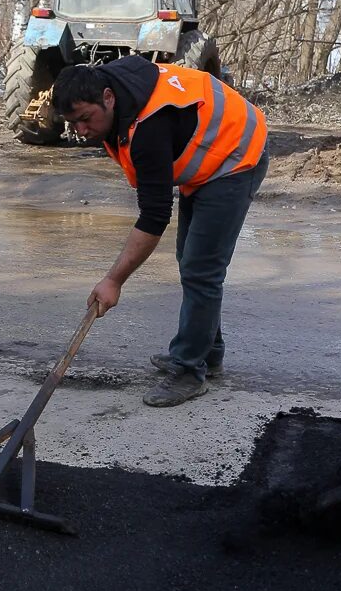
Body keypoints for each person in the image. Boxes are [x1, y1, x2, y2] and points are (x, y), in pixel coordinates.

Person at [51, 57, 268, 407]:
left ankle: (188, 371)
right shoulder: (113, 90)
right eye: (72, 124)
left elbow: (153, 217)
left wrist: (114, 280)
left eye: (85, 119)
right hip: (207, 153)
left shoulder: (149, 127)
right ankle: (207, 352)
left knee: (201, 268)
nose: (81, 131)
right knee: (191, 260)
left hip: (235, 154)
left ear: (108, 97)